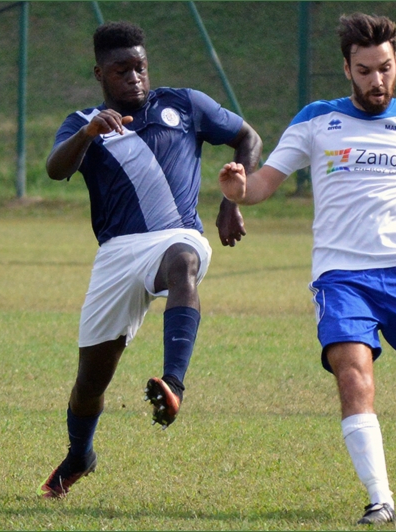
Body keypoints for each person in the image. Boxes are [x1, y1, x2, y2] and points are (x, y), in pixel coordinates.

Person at [219, 13, 396, 526]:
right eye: (366, 71)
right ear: (347, 69)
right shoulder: (316, 120)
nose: (377, 81)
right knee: (353, 376)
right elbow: (262, 185)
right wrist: (238, 189)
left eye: (385, 69)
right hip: (342, 278)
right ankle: (380, 499)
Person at [39, 21, 262, 499]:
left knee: (184, 262)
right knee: (90, 384)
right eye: (121, 70)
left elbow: (249, 137)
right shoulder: (84, 121)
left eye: (140, 67)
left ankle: (174, 384)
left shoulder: (185, 104)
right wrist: (89, 134)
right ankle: (80, 454)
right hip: (117, 254)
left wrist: (233, 201)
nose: (134, 77)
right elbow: (56, 169)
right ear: (100, 73)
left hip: (178, 235)